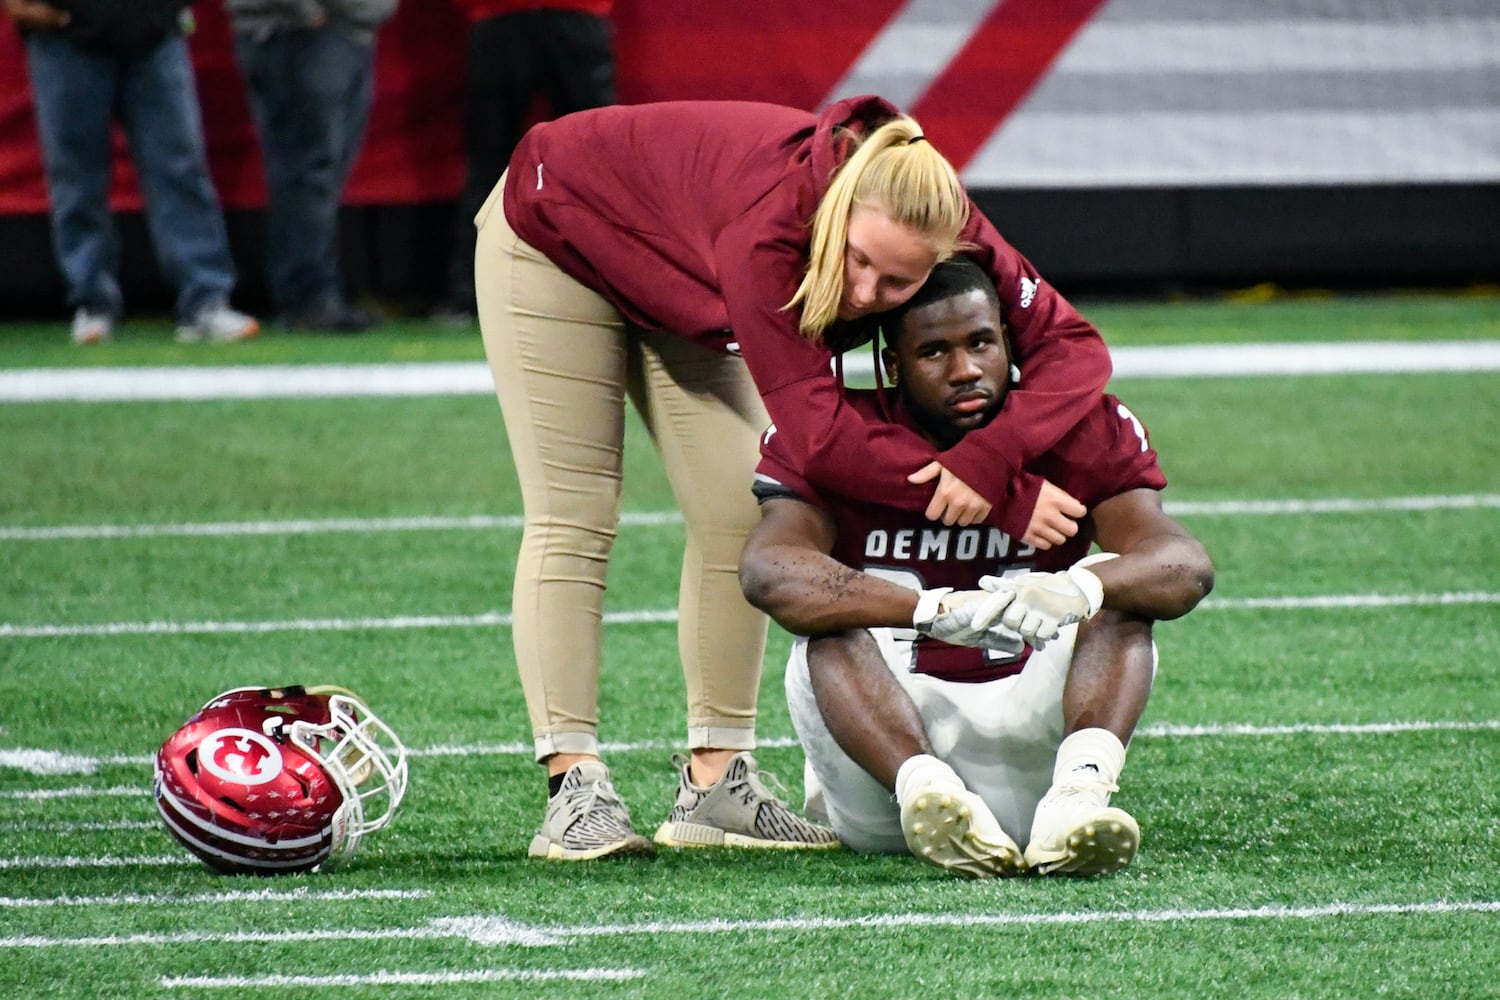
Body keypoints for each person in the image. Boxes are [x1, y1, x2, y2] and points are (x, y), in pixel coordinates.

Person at [473, 96, 1114, 861]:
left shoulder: (939, 212)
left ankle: (716, 783)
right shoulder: (770, 228)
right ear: (838, 210)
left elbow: (1075, 345)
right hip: (559, 226)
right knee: (575, 510)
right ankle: (573, 786)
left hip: (682, 266)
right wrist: (1005, 494)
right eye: (858, 259)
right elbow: (818, 443)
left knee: (739, 513)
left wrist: (986, 456)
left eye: (898, 281)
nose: (866, 294)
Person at [739, 257, 1215, 878]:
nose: (965, 370)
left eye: (981, 343)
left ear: (1010, 344)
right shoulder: (841, 432)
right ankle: (927, 789)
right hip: (885, 767)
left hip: (1034, 740)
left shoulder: (1079, 426)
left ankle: (1078, 796)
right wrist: (926, 609)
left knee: (1123, 594)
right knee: (825, 625)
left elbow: (1182, 566)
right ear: (893, 365)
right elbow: (770, 571)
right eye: (934, 351)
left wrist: (1079, 586)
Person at [6, 0, 259, 344]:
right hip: (65, 35)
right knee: (77, 178)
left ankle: (205, 299)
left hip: (154, 33)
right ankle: (92, 300)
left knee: (180, 171)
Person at [434, 0, 616, 323]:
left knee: (595, 164)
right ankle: (472, 292)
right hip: (510, 15)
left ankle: (612, 288)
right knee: (489, 164)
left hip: (560, 14)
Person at [224, 0, 397, 333]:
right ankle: (308, 299)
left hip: (339, 28)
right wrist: (304, 11)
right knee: (308, 174)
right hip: (299, 29)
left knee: (318, 174)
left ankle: (311, 294)